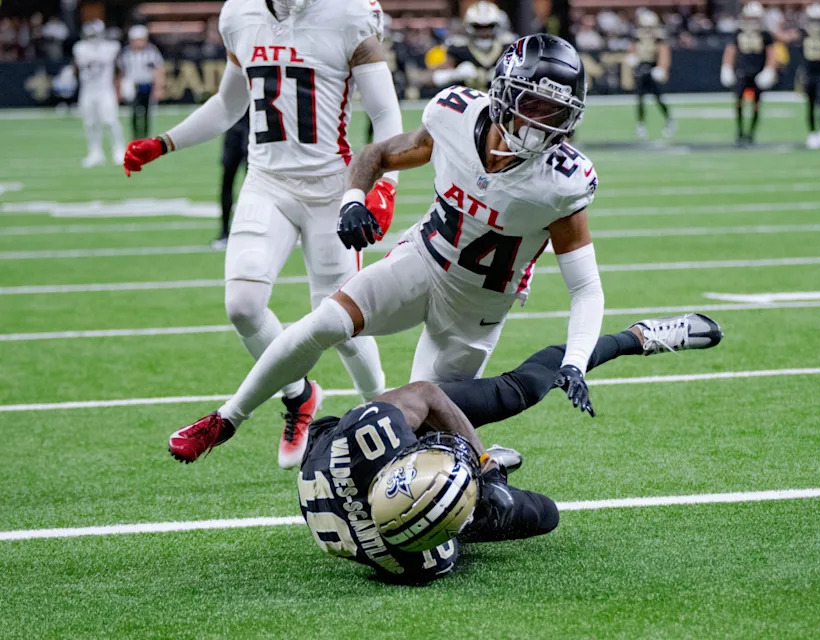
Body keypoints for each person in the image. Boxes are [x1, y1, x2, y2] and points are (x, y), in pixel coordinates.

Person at [166, 33, 613, 463]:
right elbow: (374, 154)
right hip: (421, 261)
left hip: (476, 309)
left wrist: (574, 362)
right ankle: (226, 419)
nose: (539, 122)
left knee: (420, 428)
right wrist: (353, 200)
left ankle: (479, 465)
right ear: (502, 92)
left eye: (555, 112)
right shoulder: (453, 116)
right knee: (324, 321)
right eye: (532, 103)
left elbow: (586, 288)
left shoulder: (563, 184)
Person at [186, 319, 723, 583]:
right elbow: (436, 531)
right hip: (401, 511)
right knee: (538, 516)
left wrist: (482, 463)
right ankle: (470, 488)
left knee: (518, 391)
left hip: (360, 468)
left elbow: (427, 395)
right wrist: (475, 498)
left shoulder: (361, 438)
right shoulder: (419, 558)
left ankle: (637, 336)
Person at [123, 0, 404, 469]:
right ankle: (299, 395)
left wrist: (385, 186)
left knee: (342, 327)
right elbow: (227, 105)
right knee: (243, 306)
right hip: (267, 183)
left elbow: (387, 114)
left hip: (331, 187)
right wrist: (164, 142)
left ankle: (393, 412)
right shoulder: (239, 15)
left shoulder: (349, 14)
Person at [720, 2, 777, 146]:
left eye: (755, 18)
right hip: (741, 71)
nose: (752, 21)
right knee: (738, 102)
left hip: (757, 72)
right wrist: (727, 67)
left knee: (756, 104)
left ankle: (751, 133)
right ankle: (739, 131)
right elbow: (730, 50)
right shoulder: (738, 32)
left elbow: (772, 53)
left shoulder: (765, 34)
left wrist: (769, 69)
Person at [73, 19, 125, 167]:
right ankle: (95, 153)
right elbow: (76, 69)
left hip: (105, 89)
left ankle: (119, 151)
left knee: (110, 121)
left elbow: (118, 69)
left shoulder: (111, 47)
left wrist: (119, 87)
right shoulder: (80, 48)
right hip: (88, 90)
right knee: (90, 123)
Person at [430, 1, 511, 91]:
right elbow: (430, 77)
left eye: (489, 26)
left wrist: (508, 74)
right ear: (469, 27)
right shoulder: (459, 48)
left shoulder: (508, 48)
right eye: (478, 27)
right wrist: (454, 74)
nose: (484, 32)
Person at [795, 4, 820, 149]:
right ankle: (812, 133)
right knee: (810, 105)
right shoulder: (803, 32)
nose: (816, 23)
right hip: (808, 72)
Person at [631, 10, 674, 141]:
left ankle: (669, 120)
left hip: (653, 68)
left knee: (658, 98)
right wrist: (632, 58)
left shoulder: (658, 39)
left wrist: (661, 68)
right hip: (641, 68)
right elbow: (633, 50)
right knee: (640, 99)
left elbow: (663, 53)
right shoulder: (637, 37)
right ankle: (641, 124)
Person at [119, 25, 165, 140]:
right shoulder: (126, 53)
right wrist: (120, 87)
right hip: (133, 85)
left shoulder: (151, 51)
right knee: (133, 111)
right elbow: (121, 71)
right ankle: (135, 135)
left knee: (146, 112)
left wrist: (158, 87)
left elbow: (159, 69)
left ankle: (145, 135)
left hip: (146, 84)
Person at [212, 111, 250, 250]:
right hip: (234, 125)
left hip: (253, 126)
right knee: (227, 180)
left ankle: (249, 231)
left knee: (253, 183)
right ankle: (224, 232)